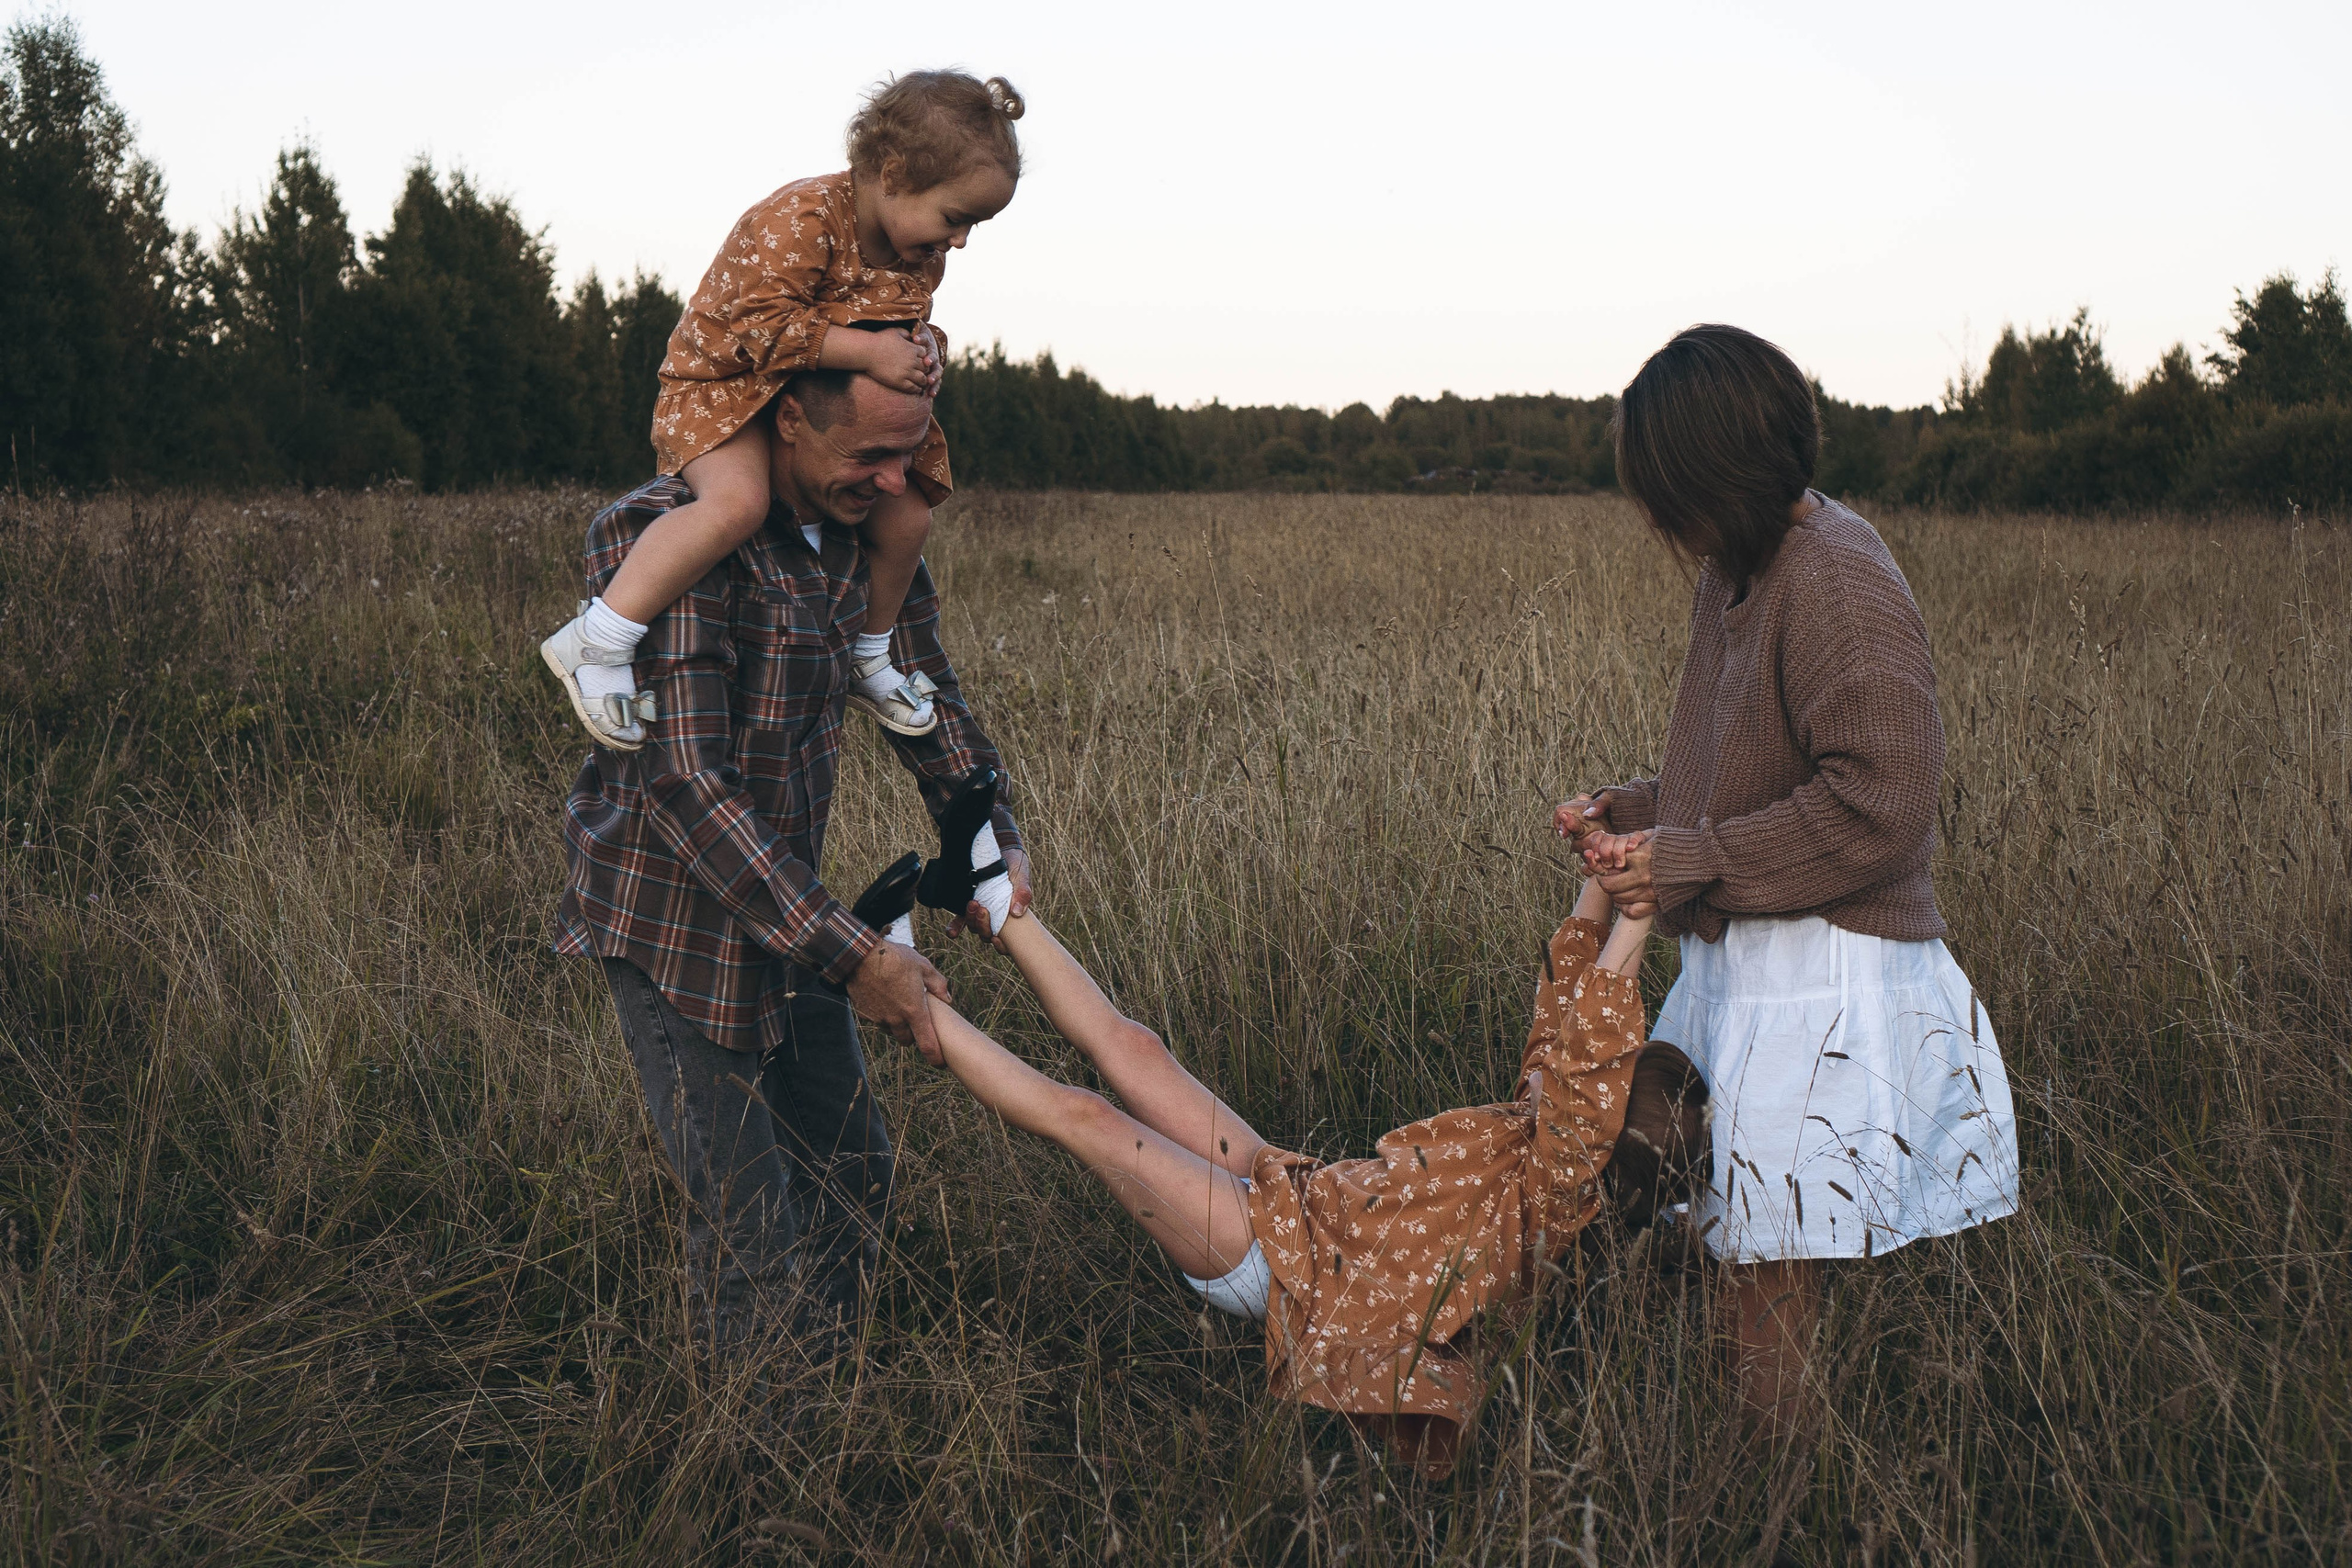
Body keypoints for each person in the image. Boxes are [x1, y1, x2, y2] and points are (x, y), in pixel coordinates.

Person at [855, 856, 1704, 1480]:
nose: (1587, 1067)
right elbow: (1571, 998)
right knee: (1135, 1049)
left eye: (1609, 1077)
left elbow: (1593, 1038)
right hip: (1302, 1193)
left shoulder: (1563, 1183)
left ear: (1602, 1123)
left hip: (1289, 1268)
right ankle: (987, 894)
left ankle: (904, 985)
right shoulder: (1545, 1114)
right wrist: (1607, 860)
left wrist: (1642, 914)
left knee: (1093, 1120)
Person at [1562, 323, 2020, 1440]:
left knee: (1763, 1268)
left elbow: (1883, 800)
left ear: (1714, 475)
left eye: (1664, 493)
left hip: (1822, 975)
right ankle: (1753, 1463)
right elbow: (1742, 770)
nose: (1660, 525)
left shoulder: (1837, 578)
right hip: (1751, 963)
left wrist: (1698, 857)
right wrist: (1638, 813)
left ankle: (1773, 1496)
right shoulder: (1741, 569)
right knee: (1711, 1222)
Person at [554, 363, 1031, 1359]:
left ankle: (837, 1405)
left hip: (793, 908)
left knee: (852, 1173)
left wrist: (987, 837)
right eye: (870, 455)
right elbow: (686, 783)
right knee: (750, 1233)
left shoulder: (869, 538)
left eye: (912, 454)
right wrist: (858, 961)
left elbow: (922, 687)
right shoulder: (675, 538)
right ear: (788, 422)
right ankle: (760, 1483)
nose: (897, 483)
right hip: (672, 925)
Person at [542, 70, 1026, 750]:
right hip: (722, 388)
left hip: (802, 397)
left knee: (909, 514)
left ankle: (868, 653)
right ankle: (598, 637)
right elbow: (758, 331)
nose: (961, 240)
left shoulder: (919, 256)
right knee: (736, 505)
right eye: (956, 218)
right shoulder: (802, 218)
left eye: (976, 224)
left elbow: (903, 326)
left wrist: (925, 351)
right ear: (891, 174)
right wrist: (869, 354)